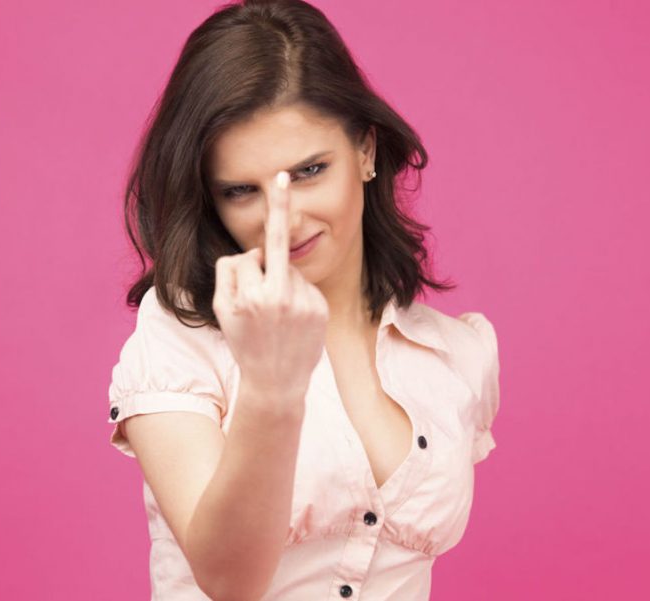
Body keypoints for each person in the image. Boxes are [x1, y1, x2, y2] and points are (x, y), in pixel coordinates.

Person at [105, 1, 500, 598]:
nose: (282, 219)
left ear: (366, 152)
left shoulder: (457, 353)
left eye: (310, 171)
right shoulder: (180, 336)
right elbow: (228, 578)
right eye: (242, 190)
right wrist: (271, 386)